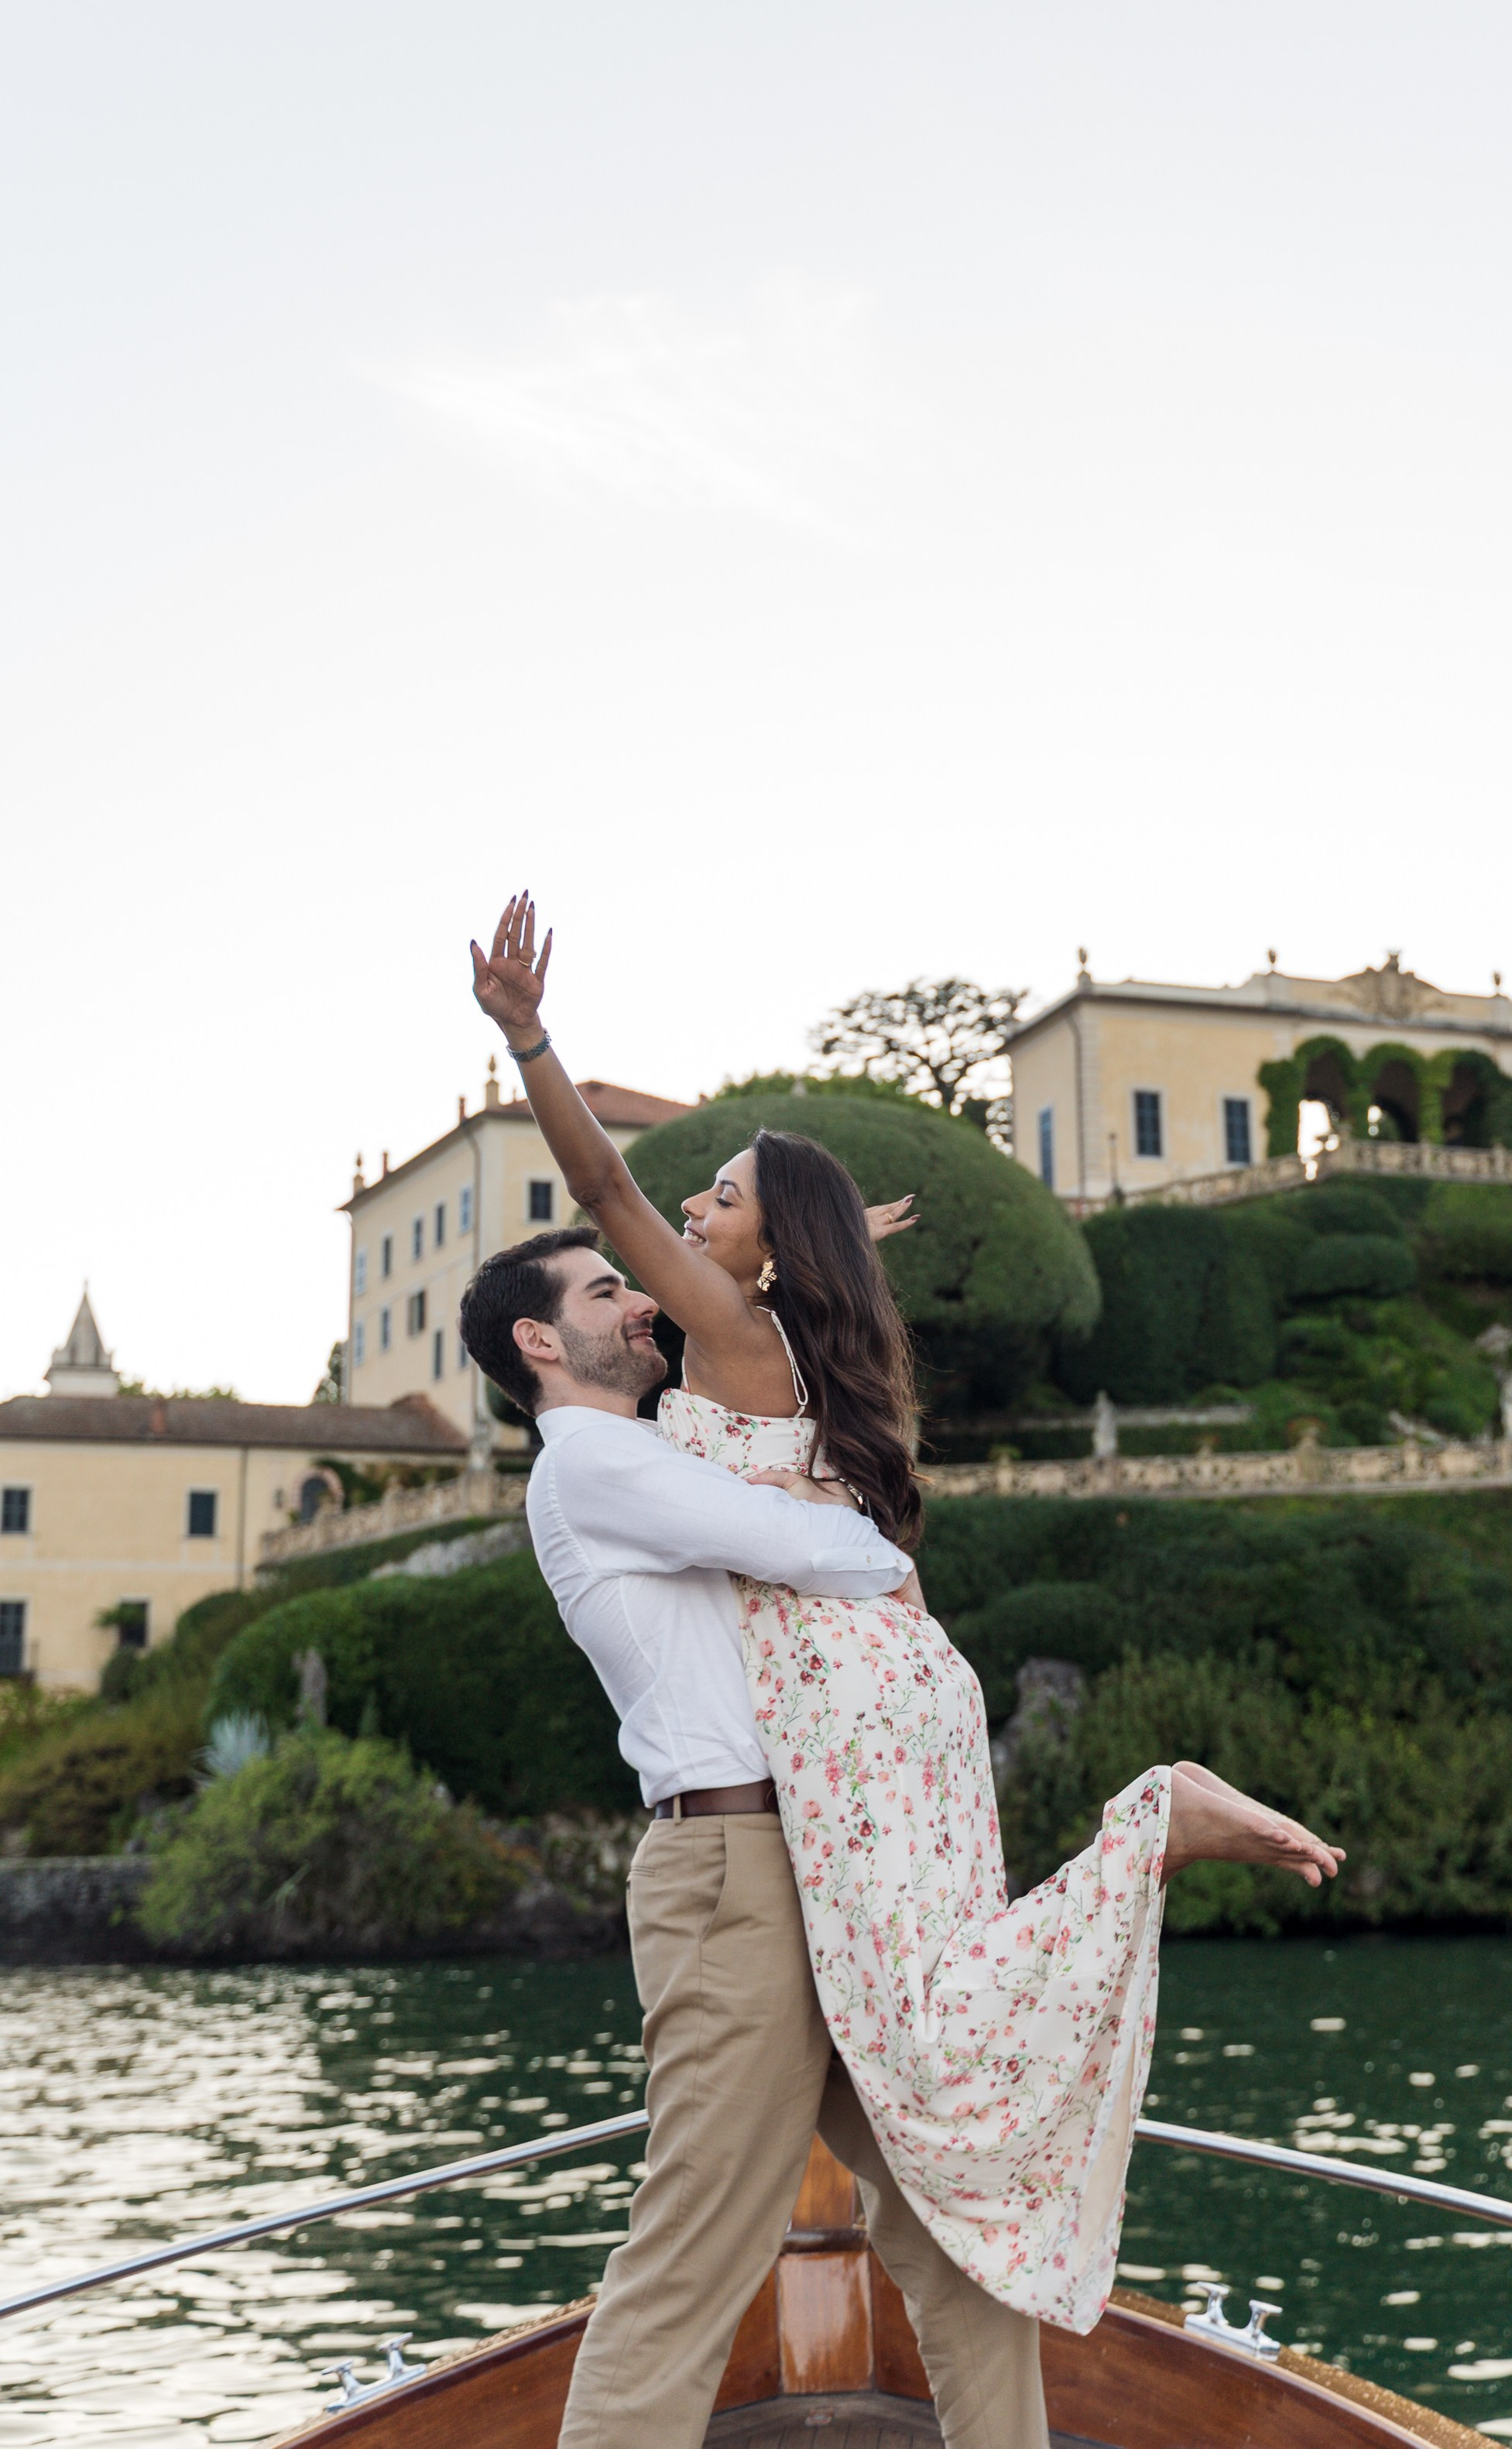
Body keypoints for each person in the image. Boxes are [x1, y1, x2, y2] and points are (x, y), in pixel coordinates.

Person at [468, 900, 1344, 2357]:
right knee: (935, 2038)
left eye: (725, 1200)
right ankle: (1144, 1843)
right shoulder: (791, 1345)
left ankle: (1152, 1823)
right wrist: (810, 1248)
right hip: (888, 1698)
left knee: (907, 2044)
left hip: (838, 1708)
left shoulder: (724, 1352)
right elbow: (726, 1271)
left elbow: (608, 1188)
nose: (685, 1221)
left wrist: (532, 1042)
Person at [456, 1230, 1048, 2449]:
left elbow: (769, 1388)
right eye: (609, 1291)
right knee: (695, 2255)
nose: (639, 1308)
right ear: (535, 1339)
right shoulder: (591, 1466)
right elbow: (804, 1546)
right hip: (735, 1877)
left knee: (957, 2236)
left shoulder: (660, 1450)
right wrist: (862, 1537)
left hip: (830, 1865)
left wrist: (797, 1261)